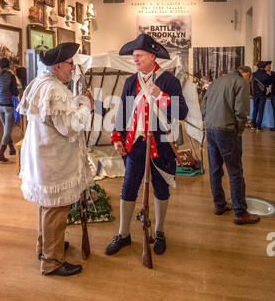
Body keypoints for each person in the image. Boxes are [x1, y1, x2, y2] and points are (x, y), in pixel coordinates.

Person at [105, 34, 188, 256]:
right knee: (129, 186)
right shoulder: (131, 81)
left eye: (139, 55)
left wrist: (162, 96)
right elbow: (123, 112)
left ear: (152, 56)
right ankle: (123, 234)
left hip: (161, 144)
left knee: (161, 187)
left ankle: (159, 231)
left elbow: (182, 113)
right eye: (134, 56)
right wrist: (116, 137)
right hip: (135, 143)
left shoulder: (169, 81)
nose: (135, 59)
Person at [17, 43, 94, 277]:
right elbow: (70, 127)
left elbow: (56, 115)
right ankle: (52, 261)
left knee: (47, 207)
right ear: (58, 65)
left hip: (42, 155)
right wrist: (86, 105)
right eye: (71, 64)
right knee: (56, 210)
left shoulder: (41, 82)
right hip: (53, 159)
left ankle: (46, 247)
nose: (73, 68)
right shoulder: (56, 90)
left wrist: (76, 103)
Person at [201, 66, 260, 225]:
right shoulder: (241, 82)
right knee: (235, 172)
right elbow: (241, 111)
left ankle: (219, 205)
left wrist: (209, 122)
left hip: (211, 129)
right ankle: (240, 213)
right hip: (227, 130)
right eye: (250, 79)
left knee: (215, 169)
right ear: (246, 74)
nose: (249, 82)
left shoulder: (216, 81)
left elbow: (204, 107)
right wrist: (239, 130)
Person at [0, 58, 19, 162]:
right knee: (7, 130)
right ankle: (0, 154)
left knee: (5, 129)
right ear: (8, 66)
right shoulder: (11, 76)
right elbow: (15, 92)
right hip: (8, 106)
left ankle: (11, 149)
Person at [251, 61, 271, 131]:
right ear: (264, 66)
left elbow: (252, 85)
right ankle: (258, 127)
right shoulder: (266, 75)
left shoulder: (253, 74)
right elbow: (268, 85)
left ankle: (253, 125)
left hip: (255, 95)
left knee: (255, 109)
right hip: (262, 95)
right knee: (261, 110)